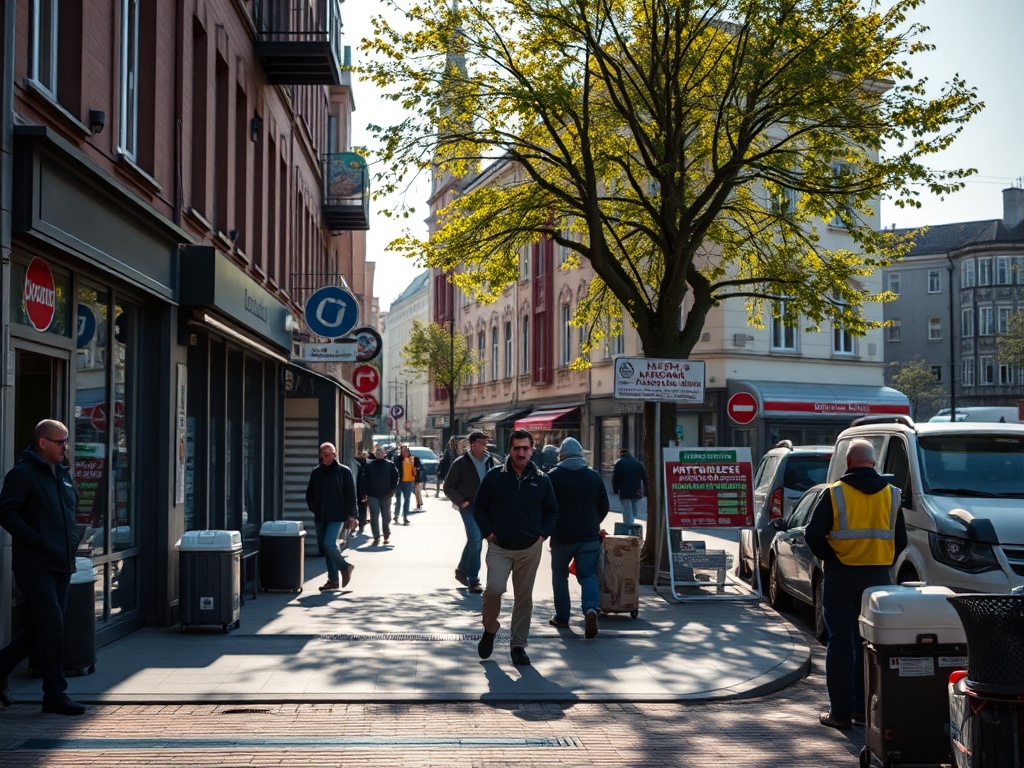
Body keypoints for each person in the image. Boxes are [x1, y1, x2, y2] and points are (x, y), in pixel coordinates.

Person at [805, 438, 907, 731]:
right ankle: (865, 711)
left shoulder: (834, 494)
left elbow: (813, 536)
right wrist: (882, 561)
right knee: (869, 645)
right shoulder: (892, 495)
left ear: (848, 463)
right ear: (873, 463)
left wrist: (833, 558)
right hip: (877, 581)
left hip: (841, 578)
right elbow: (901, 541)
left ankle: (841, 713)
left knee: (840, 643)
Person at [0, 419, 86, 715]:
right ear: (42, 443)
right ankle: (54, 694)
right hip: (35, 564)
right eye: (61, 442)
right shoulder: (22, 474)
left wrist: (73, 541)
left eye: (66, 441)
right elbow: (6, 513)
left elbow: (68, 513)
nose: (66, 447)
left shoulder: (62, 474)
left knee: (44, 626)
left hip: (62, 562)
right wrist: (37, 540)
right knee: (51, 623)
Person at [474, 429, 559, 666]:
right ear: (509, 450)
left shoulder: (542, 479)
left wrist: (543, 535)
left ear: (532, 449)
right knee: (493, 590)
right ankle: (490, 628)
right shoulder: (495, 476)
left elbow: (552, 510)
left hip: (529, 548)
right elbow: (479, 507)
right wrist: (488, 533)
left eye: (525, 448)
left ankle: (518, 646)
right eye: (516, 448)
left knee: (524, 598)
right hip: (499, 546)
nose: (521, 453)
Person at [546, 437, 609, 639]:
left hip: (561, 537)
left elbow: (545, 507)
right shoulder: (594, 476)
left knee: (559, 576)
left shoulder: (552, 477)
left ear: (561, 455)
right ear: (581, 454)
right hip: (589, 536)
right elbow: (604, 506)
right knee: (588, 575)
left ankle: (562, 617)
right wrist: (593, 522)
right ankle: (590, 609)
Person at [443, 431, 498, 593]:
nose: (485, 445)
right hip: (469, 506)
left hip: (486, 507)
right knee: (475, 538)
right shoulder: (460, 463)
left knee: (477, 538)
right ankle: (473, 579)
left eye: (486, 442)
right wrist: (461, 501)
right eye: (482, 442)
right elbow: (448, 487)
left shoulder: (490, 461)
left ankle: (462, 570)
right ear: (472, 443)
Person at [305, 442, 358, 591]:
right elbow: (310, 493)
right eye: (323, 454)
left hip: (337, 515)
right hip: (321, 516)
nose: (325, 456)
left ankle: (345, 567)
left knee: (329, 543)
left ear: (334, 454)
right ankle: (333, 581)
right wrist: (313, 507)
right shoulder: (316, 472)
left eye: (328, 454)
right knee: (327, 548)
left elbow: (350, 495)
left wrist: (352, 515)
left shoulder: (343, 471)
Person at [362, 447, 399, 545]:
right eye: (377, 452)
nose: (378, 453)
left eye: (380, 452)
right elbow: (365, 480)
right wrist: (364, 493)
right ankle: (376, 537)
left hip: (386, 494)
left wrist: (393, 488)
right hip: (372, 495)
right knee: (374, 517)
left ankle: (386, 533)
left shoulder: (390, 465)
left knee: (386, 516)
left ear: (384, 454)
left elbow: (395, 477)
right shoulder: (369, 466)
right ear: (374, 454)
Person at [611, 448, 647, 526]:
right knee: (633, 508)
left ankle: (629, 527)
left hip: (625, 490)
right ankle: (633, 522)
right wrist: (645, 491)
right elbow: (645, 478)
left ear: (620, 454)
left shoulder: (620, 463)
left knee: (626, 509)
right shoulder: (638, 463)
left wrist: (615, 489)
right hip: (637, 491)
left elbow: (616, 478)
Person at [391, 444, 421, 525]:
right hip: (399, 482)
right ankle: (396, 515)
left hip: (409, 481)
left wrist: (417, 477)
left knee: (407, 499)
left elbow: (418, 469)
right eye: (403, 451)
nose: (405, 452)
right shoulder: (398, 459)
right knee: (398, 499)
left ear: (408, 451)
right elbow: (394, 470)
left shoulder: (414, 459)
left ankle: (405, 517)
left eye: (406, 450)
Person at [352, 448, 369, 534]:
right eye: (360, 453)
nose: (362, 454)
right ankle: (356, 524)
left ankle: (361, 524)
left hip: (363, 488)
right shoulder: (354, 462)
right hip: (356, 486)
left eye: (364, 453)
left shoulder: (367, 463)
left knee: (362, 506)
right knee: (357, 505)